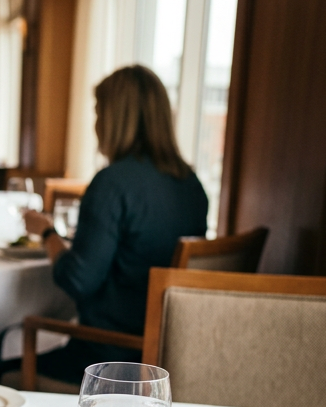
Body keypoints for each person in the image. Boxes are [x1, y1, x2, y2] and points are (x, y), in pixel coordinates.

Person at [15, 64, 207, 383]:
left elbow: (78, 279)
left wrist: (47, 233)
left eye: (98, 114)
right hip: (163, 359)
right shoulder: (191, 184)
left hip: (108, 361)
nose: (96, 125)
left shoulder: (112, 183)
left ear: (114, 119)